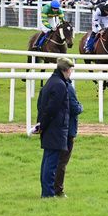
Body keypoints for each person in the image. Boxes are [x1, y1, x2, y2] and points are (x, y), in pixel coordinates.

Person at [34, 57, 73, 198]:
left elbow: (41, 104)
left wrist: (40, 124)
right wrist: (42, 125)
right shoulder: (60, 85)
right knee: (51, 164)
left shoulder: (51, 81)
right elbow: (52, 109)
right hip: (55, 128)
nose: (71, 72)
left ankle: (46, 192)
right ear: (66, 70)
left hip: (50, 127)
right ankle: (48, 194)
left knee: (47, 161)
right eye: (70, 69)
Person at [54, 74, 83, 197]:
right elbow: (75, 108)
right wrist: (80, 106)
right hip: (67, 129)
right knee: (62, 161)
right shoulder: (68, 87)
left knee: (56, 160)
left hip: (58, 128)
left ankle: (52, 188)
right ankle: (58, 190)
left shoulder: (54, 83)